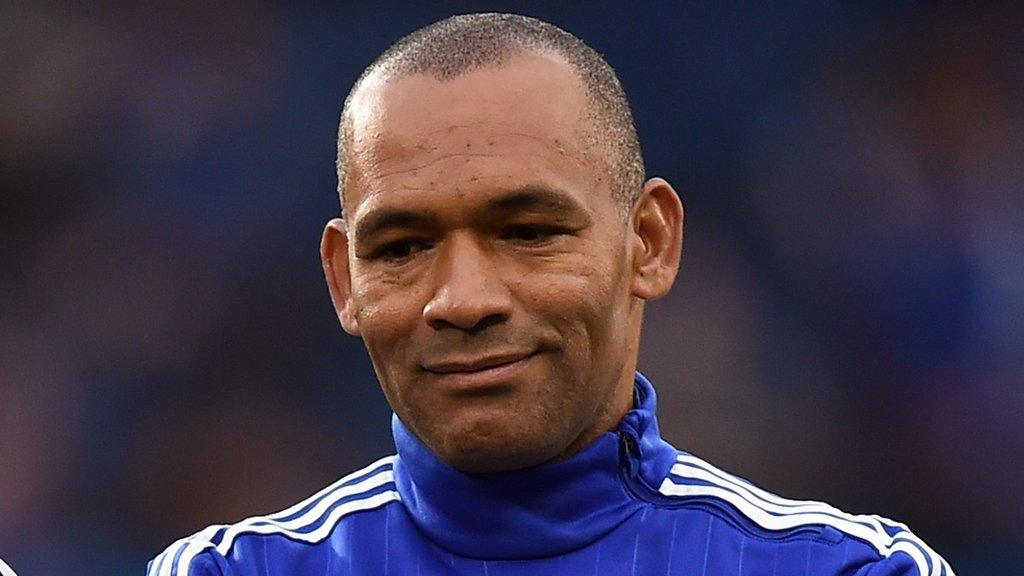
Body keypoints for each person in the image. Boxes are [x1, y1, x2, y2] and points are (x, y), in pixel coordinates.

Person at [148, 13, 954, 576]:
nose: (462, 299)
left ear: (649, 243)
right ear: (343, 281)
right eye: (401, 247)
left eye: (529, 231)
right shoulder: (230, 572)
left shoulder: (846, 571)